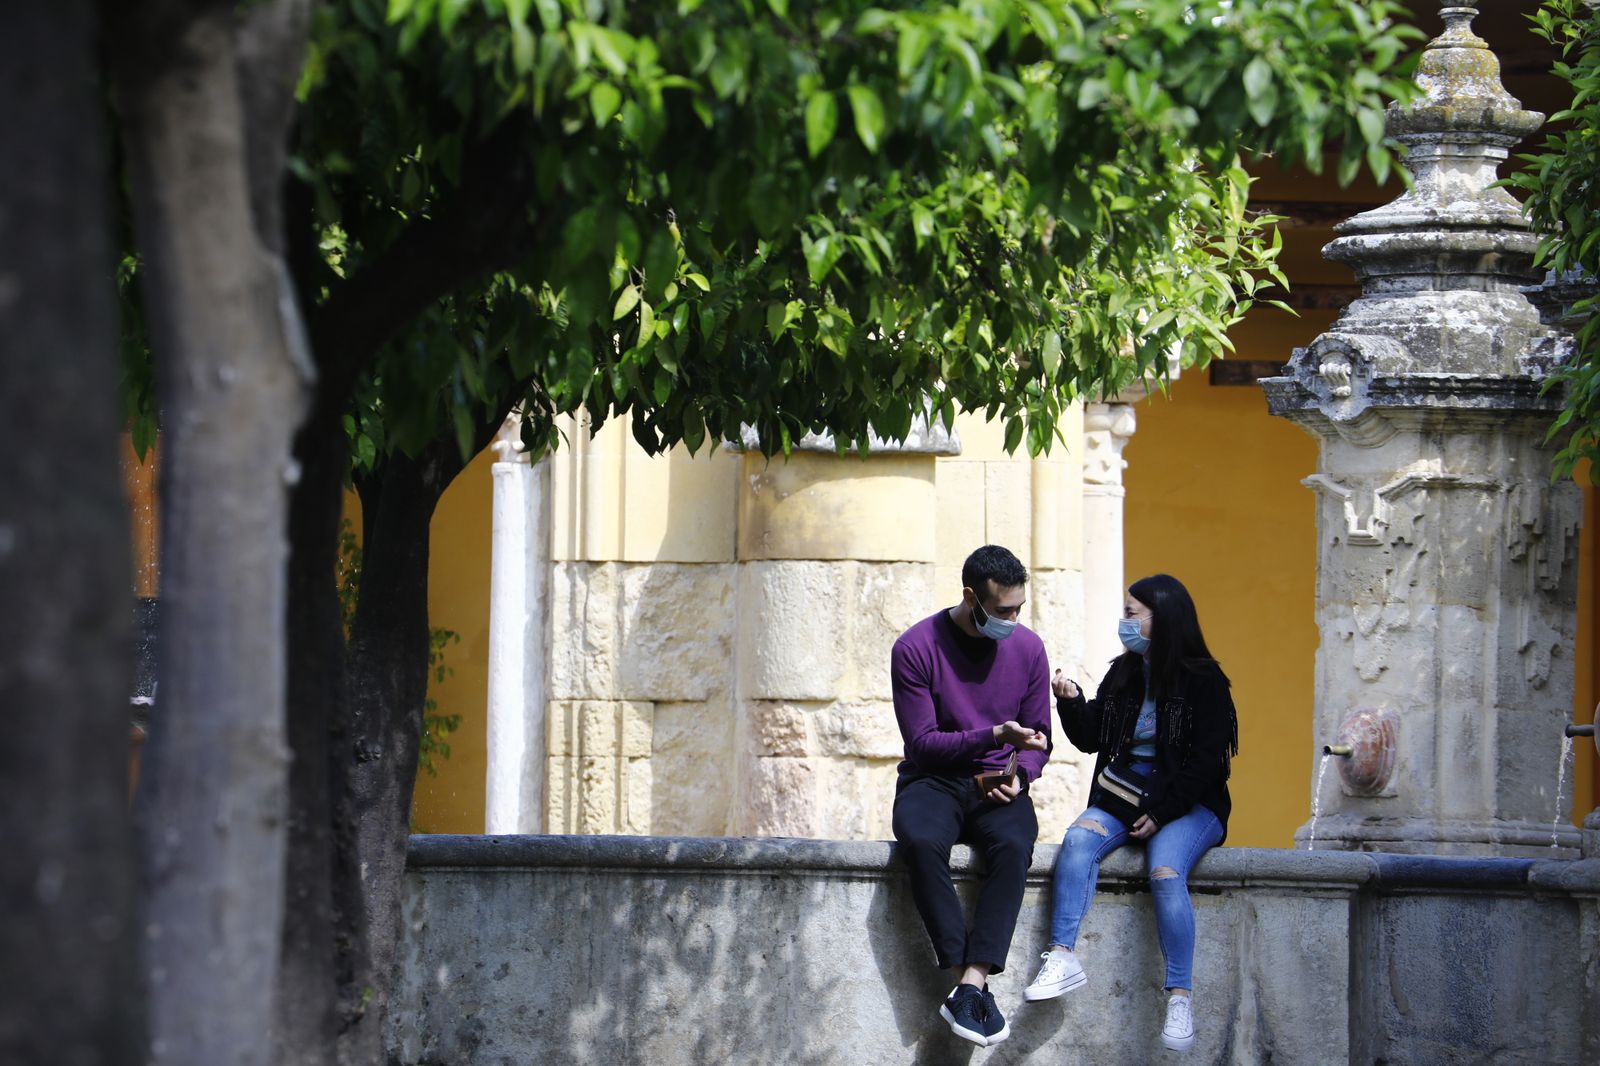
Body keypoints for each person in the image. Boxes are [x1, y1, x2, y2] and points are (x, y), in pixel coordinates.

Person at [1023, 573, 1238, 1053]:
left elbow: (1206, 763)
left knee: (1164, 871)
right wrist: (1072, 702)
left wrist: (1163, 813)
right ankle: (1062, 955)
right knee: (1078, 840)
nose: (1124, 622)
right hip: (1126, 796)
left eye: (1131, 613)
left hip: (1188, 802)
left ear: (1161, 620)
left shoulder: (1204, 680)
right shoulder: (1124, 672)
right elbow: (1093, 737)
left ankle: (1179, 995)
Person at [890, 544, 1051, 1048]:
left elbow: (1040, 737)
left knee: (1014, 843)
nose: (1013, 619)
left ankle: (972, 982)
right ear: (970, 597)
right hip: (932, 779)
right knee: (918, 838)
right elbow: (924, 744)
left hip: (996, 783)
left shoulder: (1029, 649)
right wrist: (995, 735)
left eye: (1018, 608)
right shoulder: (915, 647)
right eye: (1002, 610)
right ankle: (964, 972)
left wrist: (1021, 774)